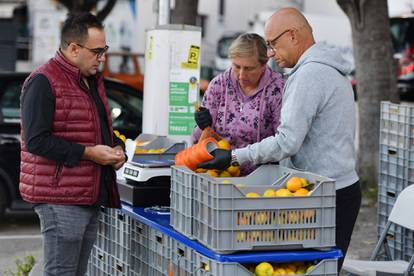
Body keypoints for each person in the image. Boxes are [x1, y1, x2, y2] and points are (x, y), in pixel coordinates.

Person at [199, 8, 361, 271]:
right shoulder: (330, 70)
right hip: (333, 189)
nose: (271, 53)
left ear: (293, 36)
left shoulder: (309, 76)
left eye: (273, 44)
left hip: (324, 194)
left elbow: (286, 141)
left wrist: (234, 156)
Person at [20, 13, 126, 275]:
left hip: (86, 195)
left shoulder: (90, 80)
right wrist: (90, 154)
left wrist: (116, 149)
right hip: (60, 199)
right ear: (74, 48)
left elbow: (99, 129)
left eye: (105, 50)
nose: (102, 57)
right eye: (97, 51)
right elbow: (36, 141)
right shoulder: (43, 81)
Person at [192, 33, 284, 175]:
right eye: (236, 66)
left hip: (260, 179)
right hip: (219, 175)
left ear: (264, 64)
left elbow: (282, 142)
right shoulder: (219, 84)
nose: (241, 75)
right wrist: (202, 125)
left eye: (249, 68)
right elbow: (199, 140)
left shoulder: (277, 89)